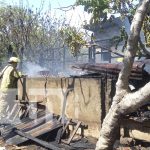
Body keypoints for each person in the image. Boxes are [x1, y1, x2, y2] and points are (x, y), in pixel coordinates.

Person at [0, 57, 25, 122]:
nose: (17, 64)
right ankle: (2, 118)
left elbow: (1, 75)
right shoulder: (13, 69)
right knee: (4, 103)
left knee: (5, 102)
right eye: (16, 63)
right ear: (14, 63)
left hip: (3, 88)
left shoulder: (6, 68)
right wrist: (23, 75)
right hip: (8, 89)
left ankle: (5, 117)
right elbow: (18, 76)